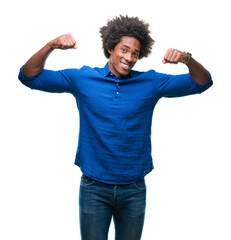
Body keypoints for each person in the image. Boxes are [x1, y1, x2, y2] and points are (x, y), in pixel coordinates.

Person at [18, 15, 213, 240]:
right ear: (110, 48)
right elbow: (29, 77)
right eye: (124, 50)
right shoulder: (82, 78)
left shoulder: (150, 82)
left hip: (134, 188)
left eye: (136, 54)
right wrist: (51, 46)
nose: (129, 58)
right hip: (94, 187)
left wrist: (187, 59)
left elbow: (202, 83)